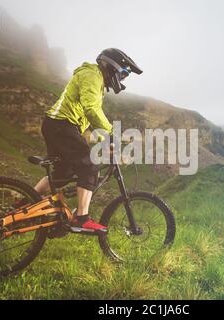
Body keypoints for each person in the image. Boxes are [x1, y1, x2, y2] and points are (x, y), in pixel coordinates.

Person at [33, 48, 143, 231]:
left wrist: (105, 139)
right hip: (62, 125)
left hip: (57, 125)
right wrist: (110, 133)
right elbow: (91, 109)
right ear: (112, 67)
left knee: (63, 173)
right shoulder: (92, 75)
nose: (123, 79)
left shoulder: (96, 80)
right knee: (90, 166)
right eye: (123, 74)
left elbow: (89, 116)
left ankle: (26, 199)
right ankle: (81, 218)